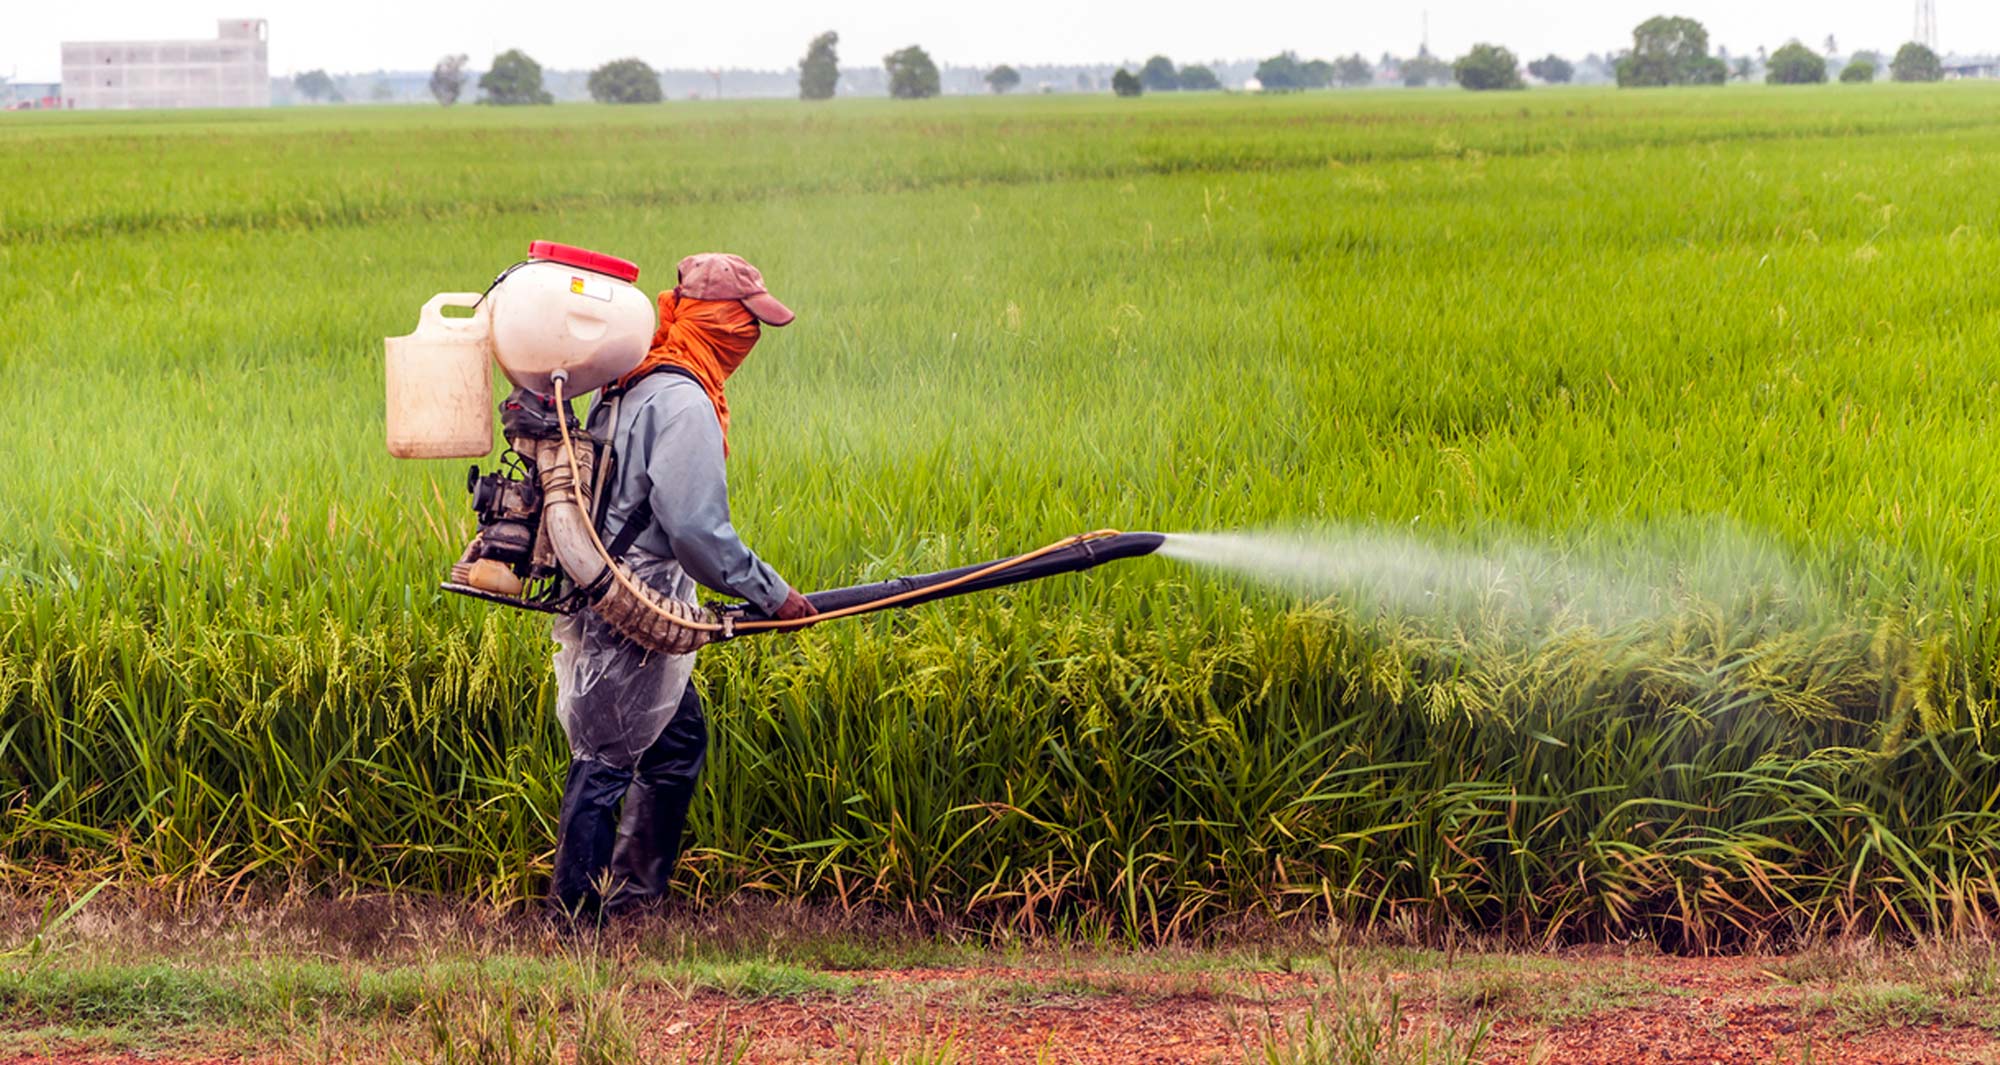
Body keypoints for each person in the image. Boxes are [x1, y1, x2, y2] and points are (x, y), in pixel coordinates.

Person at [547, 252, 816, 920]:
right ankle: (572, 924)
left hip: (614, 589)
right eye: (745, 323)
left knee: (675, 742)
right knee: (606, 757)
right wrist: (771, 593)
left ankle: (636, 904)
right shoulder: (683, 398)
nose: (749, 339)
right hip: (633, 608)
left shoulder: (636, 380)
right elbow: (696, 531)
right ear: (717, 319)